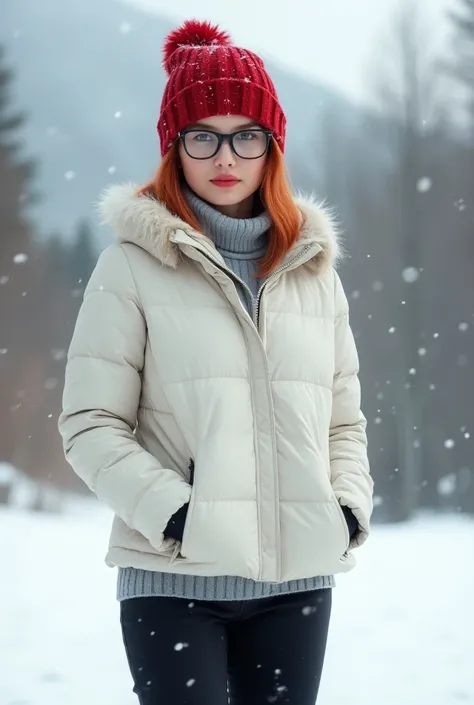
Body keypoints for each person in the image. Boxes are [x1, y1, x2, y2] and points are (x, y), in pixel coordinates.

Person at [59, 18, 373, 705]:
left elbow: (343, 421)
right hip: (174, 584)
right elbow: (90, 424)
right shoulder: (131, 268)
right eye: (203, 134)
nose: (224, 155)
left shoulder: (314, 272)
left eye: (246, 135)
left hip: (297, 588)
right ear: (174, 147)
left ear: (272, 148)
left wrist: (345, 507)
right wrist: (178, 516)